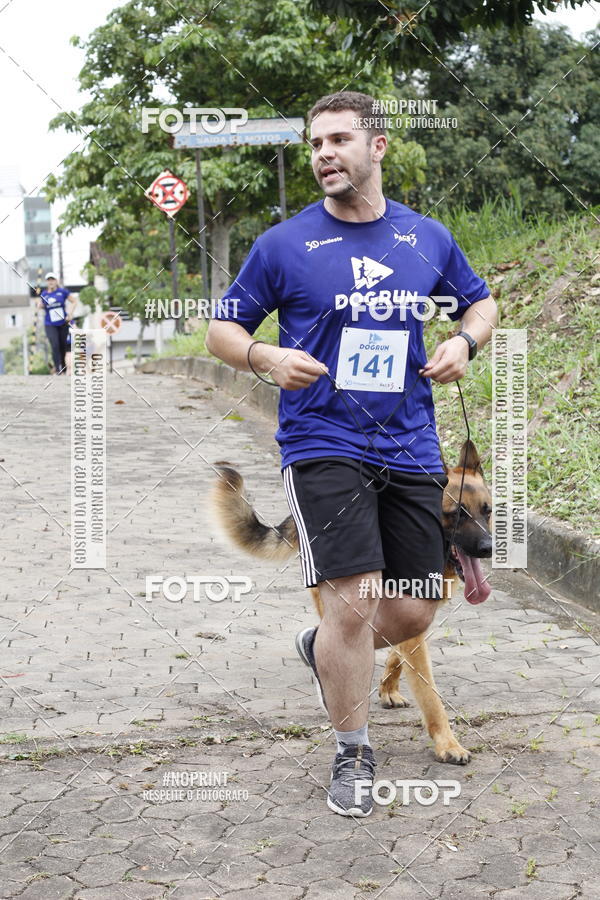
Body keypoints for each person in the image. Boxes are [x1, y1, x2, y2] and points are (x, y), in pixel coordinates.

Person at [206, 91, 498, 817]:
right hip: (322, 441)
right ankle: (353, 751)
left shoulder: (425, 237)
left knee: (416, 609)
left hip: (409, 442)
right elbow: (222, 330)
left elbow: (481, 302)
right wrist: (266, 356)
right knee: (355, 599)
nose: (324, 154)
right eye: (315, 144)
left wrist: (464, 341)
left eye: (339, 139)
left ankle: (323, 645)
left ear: (378, 147)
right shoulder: (284, 244)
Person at [38, 272, 75, 375]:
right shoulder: (44, 294)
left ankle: (63, 367)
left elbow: (74, 301)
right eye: (49, 280)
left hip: (63, 323)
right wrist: (39, 305)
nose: (51, 282)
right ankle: (58, 369)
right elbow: (40, 305)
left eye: (52, 279)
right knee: (55, 345)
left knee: (62, 346)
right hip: (50, 324)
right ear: (46, 282)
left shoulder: (62, 292)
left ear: (56, 281)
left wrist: (70, 314)